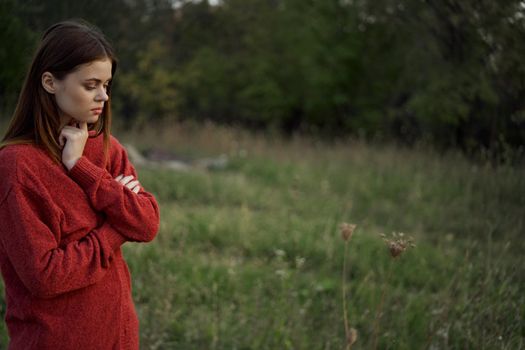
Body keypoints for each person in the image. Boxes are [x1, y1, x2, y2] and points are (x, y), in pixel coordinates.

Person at [0, 19, 160, 349]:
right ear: (49, 82)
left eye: (106, 85)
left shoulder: (107, 148)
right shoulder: (16, 166)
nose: (103, 96)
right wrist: (116, 227)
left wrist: (81, 168)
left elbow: (146, 224)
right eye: (90, 85)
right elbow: (45, 276)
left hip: (118, 337)